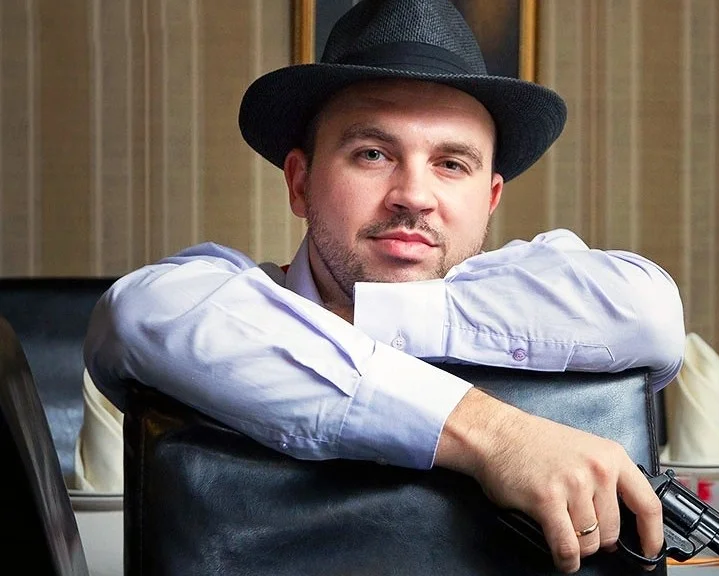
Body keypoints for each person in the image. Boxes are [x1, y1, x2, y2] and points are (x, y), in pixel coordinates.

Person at [83, 0, 685, 573]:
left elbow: (649, 313)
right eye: (372, 154)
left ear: (490, 199)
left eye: (451, 164)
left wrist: (378, 314)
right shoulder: (205, 302)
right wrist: (496, 436)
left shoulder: (535, 286)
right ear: (300, 183)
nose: (414, 196)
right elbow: (135, 312)